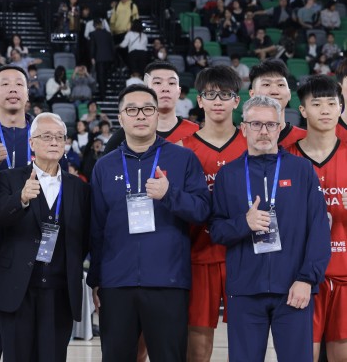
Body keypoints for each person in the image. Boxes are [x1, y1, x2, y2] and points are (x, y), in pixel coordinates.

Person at [87, 84, 211, 362]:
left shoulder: (183, 159)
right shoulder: (104, 166)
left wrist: (170, 195)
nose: (140, 115)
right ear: (120, 118)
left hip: (167, 281)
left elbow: (203, 210)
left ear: (157, 115)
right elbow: (96, 229)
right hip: (117, 283)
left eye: (147, 109)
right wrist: (96, 280)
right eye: (132, 110)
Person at [210, 95, 330, 362]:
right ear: (243, 128)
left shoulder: (302, 170)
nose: (263, 131)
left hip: (293, 290)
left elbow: (319, 229)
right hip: (245, 291)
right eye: (255, 124)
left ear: (280, 127)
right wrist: (244, 223)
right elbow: (216, 231)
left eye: (270, 124)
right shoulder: (227, 175)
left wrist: (307, 279)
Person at [0, 112, 91, 362]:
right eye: (46, 136)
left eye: (59, 137)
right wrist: (20, 199)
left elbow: (86, 236)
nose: (54, 142)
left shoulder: (79, 188)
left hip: (60, 293)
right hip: (17, 291)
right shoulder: (9, 179)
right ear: (32, 143)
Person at [175, 65, 246, 362]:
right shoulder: (180, 148)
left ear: (236, 101)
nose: (218, 100)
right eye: (210, 94)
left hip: (244, 253)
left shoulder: (253, 142)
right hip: (198, 255)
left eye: (225, 94)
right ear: (199, 100)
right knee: (198, 340)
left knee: (246, 337)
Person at [286, 75, 347, 359]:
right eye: (317, 103)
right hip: (301, 278)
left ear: (340, 108)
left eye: (331, 103)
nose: (325, 110)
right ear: (302, 110)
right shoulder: (285, 159)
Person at [104, 61, 200, 153]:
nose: (165, 89)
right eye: (158, 83)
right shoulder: (124, 136)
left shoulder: (197, 133)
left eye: (171, 83)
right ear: (146, 89)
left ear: (179, 91)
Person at [248, 59, 308, 147]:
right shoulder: (239, 139)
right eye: (266, 85)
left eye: (280, 85)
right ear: (252, 94)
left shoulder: (306, 139)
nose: (274, 91)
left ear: (289, 94)